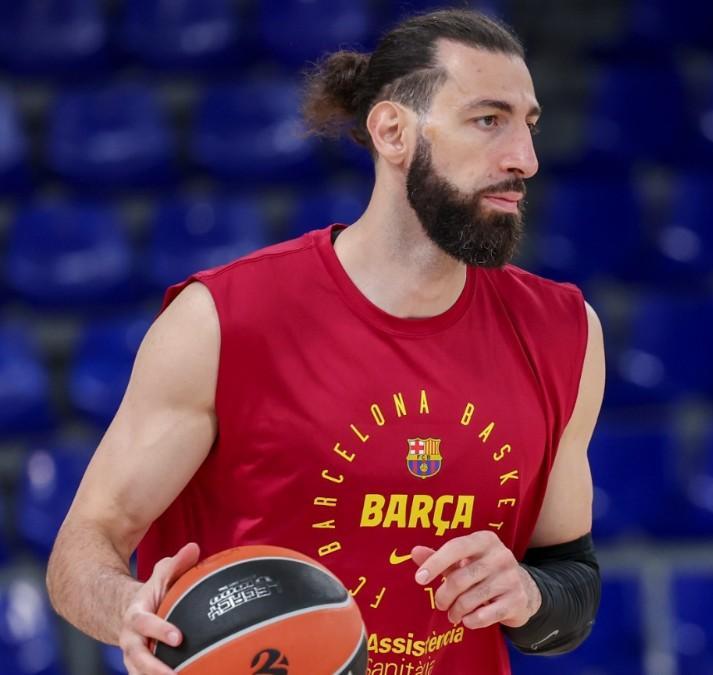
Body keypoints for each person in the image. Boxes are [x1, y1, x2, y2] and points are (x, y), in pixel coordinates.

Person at [46, 10, 604, 675]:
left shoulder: (563, 331)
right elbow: (84, 545)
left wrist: (529, 594)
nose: (524, 159)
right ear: (393, 131)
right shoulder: (225, 321)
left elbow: (570, 579)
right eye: (489, 121)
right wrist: (128, 607)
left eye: (528, 124)